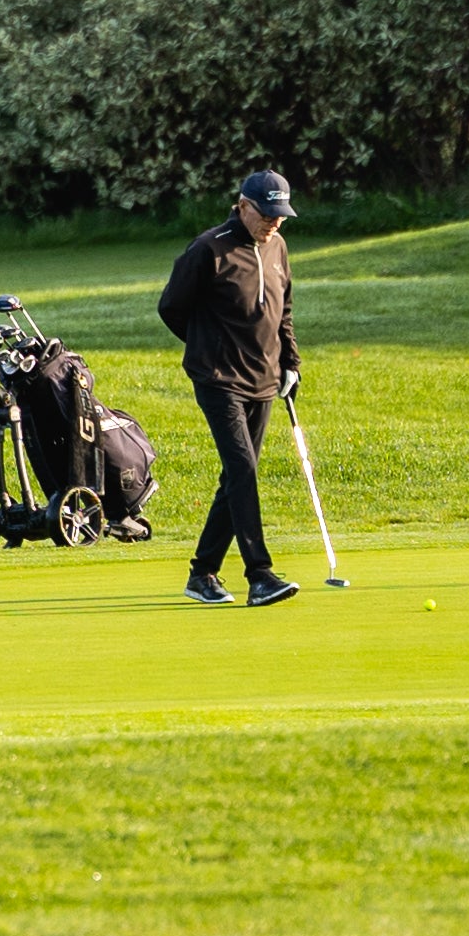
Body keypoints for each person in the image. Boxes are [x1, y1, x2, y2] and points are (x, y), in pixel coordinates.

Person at [158, 169, 306, 608]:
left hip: (264, 378)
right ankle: (259, 574)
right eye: (265, 213)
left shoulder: (278, 246)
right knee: (243, 469)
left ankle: (202, 573)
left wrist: (291, 363)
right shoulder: (209, 249)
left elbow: (284, 310)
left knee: (236, 477)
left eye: (280, 215)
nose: (273, 223)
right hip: (218, 378)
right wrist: (207, 346)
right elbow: (171, 308)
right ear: (243, 206)